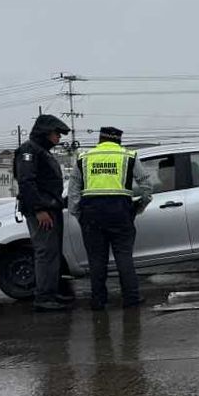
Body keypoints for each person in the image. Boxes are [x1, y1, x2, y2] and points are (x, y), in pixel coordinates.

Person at [68, 127, 153, 310]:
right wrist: (140, 206)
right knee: (124, 257)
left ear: (100, 139)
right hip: (120, 212)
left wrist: (78, 214)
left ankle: (98, 301)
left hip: (91, 214)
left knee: (96, 260)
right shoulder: (128, 156)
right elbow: (146, 185)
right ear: (119, 140)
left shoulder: (84, 157)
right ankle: (131, 299)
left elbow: (73, 189)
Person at [13, 114, 72, 311]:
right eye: (57, 134)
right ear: (46, 132)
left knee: (53, 252)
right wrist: (39, 210)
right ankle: (44, 297)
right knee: (45, 252)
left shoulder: (42, 151)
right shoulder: (29, 150)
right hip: (42, 211)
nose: (59, 138)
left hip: (51, 208)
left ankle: (51, 292)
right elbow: (26, 182)